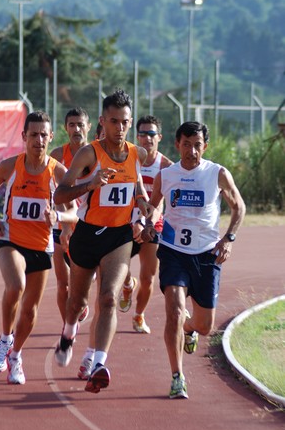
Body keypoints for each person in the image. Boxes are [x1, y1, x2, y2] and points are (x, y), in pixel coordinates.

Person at [53, 88, 150, 393]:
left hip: (119, 237)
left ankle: (98, 363)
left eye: (124, 122)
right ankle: (68, 334)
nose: (119, 128)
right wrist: (90, 183)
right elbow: (60, 196)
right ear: (102, 121)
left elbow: (137, 187)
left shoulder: (137, 154)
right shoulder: (89, 154)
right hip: (87, 234)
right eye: (113, 121)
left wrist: (144, 206)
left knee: (108, 297)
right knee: (76, 303)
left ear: (130, 122)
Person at [141, 121, 246, 399]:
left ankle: (190, 328)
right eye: (186, 144)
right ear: (177, 145)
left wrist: (229, 239)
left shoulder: (217, 173)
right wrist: (149, 223)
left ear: (205, 146)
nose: (192, 151)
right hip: (174, 252)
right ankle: (178, 377)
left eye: (197, 145)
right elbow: (155, 206)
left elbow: (239, 206)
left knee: (204, 325)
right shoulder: (167, 174)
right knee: (174, 310)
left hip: (207, 254)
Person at [0, 110, 76, 385]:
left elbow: (74, 212)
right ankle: (5, 339)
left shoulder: (58, 172)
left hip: (41, 246)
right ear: (24, 137)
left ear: (51, 137)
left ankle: (15, 355)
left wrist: (60, 219)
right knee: (16, 285)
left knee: (31, 311)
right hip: (10, 238)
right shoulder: (10, 166)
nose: (39, 139)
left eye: (44, 134)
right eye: (33, 134)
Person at [118, 115, 173, 334]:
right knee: (116, 268)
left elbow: (161, 204)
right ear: (137, 136)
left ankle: (139, 315)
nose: (147, 139)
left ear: (159, 137)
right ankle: (127, 285)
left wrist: (147, 222)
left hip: (152, 224)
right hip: (125, 222)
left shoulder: (167, 167)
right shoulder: (128, 160)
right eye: (143, 134)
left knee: (149, 277)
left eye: (152, 134)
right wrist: (134, 220)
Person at [49, 107, 92, 325]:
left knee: (80, 285)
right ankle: (68, 326)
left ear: (89, 127)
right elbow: (53, 190)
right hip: (62, 224)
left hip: (88, 226)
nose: (76, 129)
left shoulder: (96, 154)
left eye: (80, 124)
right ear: (66, 128)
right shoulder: (57, 156)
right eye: (72, 125)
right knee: (62, 284)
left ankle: (80, 302)